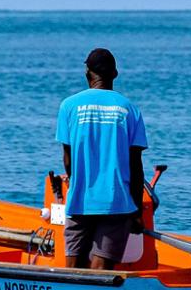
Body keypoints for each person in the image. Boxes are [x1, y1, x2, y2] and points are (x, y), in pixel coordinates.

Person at [56, 47, 149, 269]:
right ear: (115, 74)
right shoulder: (130, 110)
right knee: (101, 271)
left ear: (87, 72)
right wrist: (136, 211)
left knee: (73, 268)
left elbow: (67, 159)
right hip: (116, 202)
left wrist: (77, 182)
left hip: (80, 199)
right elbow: (135, 166)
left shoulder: (69, 106)